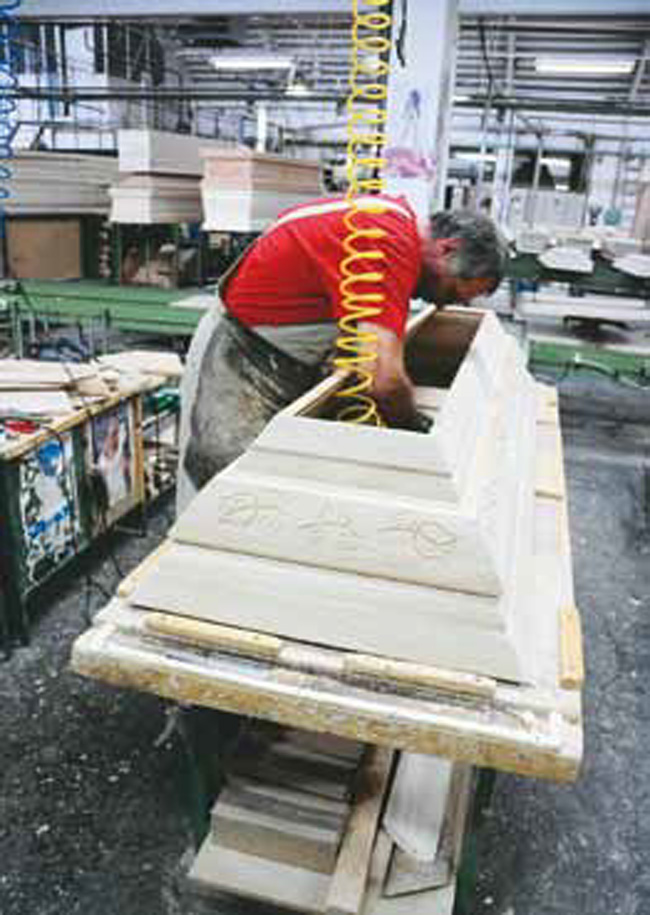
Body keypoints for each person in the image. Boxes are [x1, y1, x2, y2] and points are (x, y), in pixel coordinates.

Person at [176, 195, 508, 514]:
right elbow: (384, 381)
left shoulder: (391, 227)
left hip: (276, 355)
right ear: (447, 248)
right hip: (236, 355)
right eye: (452, 291)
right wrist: (415, 432)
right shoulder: (386, 245)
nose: (443, 304)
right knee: (223, 489)